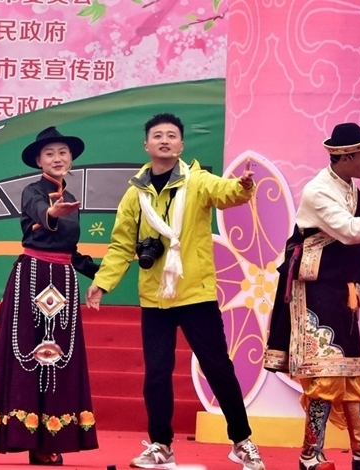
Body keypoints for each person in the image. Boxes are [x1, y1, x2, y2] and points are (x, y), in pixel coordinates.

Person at [84, 113, 266, 470]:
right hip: (155, 297)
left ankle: (242, 442)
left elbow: (226, 192)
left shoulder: (197, 182)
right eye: (157, 135)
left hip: (196, 293)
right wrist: (102, 283)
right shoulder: (135, 195)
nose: (164, 140)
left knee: (218, 367)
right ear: (146, 145)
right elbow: (121, 246)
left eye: (171, 135)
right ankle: (161, 445)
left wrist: (243, 186)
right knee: (156, 373)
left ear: (181, 145)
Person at [263, 122, 360, 470]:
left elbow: (353, 242)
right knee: (327, 373)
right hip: (314, 289)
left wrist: (358, 282)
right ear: (344, 158)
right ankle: (309, 456)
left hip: (338, 286)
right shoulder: (318, 191)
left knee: (351, 373)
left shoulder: (348, 187)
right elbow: (349, 231)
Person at [0, 127, 99, 465]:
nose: (57, 158)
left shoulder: (70, 199)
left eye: (62, 152)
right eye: (50, 154)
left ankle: (44, 441)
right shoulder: (33, 192)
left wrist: (103, 274)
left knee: (56, 361)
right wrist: (51, 215)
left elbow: (70, 251)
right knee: (20, 356)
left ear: (70, 159)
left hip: (63, 282)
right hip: (32, 279)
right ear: (39, 161)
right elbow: (40, 210)